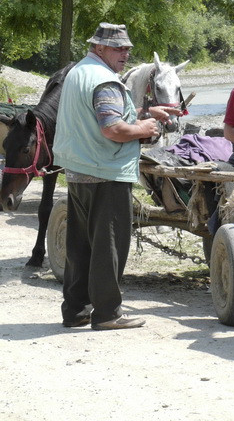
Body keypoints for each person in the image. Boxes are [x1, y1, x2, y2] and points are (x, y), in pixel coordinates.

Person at [54, 23, 180, 330]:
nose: (125, 54)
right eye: (118, 48)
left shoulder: (79, 72)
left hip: (80, 168)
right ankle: (108, 313)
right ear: (99, 48)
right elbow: (113, 129)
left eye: (127, 49)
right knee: (108, 244)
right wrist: (145, 128)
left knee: (80, 244)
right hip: (106, 171)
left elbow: (99, 114)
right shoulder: (105, 81)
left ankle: (76, 310)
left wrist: (144, 111)